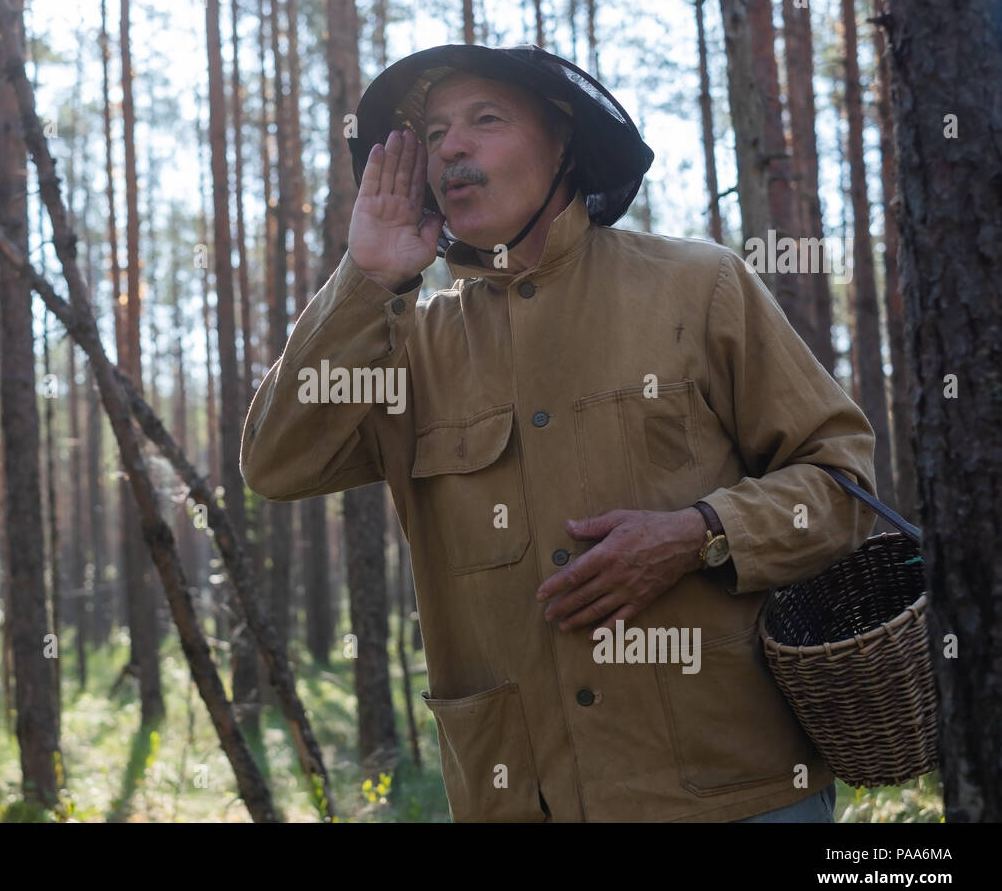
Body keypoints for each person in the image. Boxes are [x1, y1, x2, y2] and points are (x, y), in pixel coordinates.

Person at [240, 44, 876, 822]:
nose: (451, 148)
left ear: (564, 141)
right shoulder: (408, 346)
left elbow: (841, 487)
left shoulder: (698, 284)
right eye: (435, 133)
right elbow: (275, 462)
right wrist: (365, 280)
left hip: (736, 791)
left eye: (485, 120)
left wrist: (702, 531)